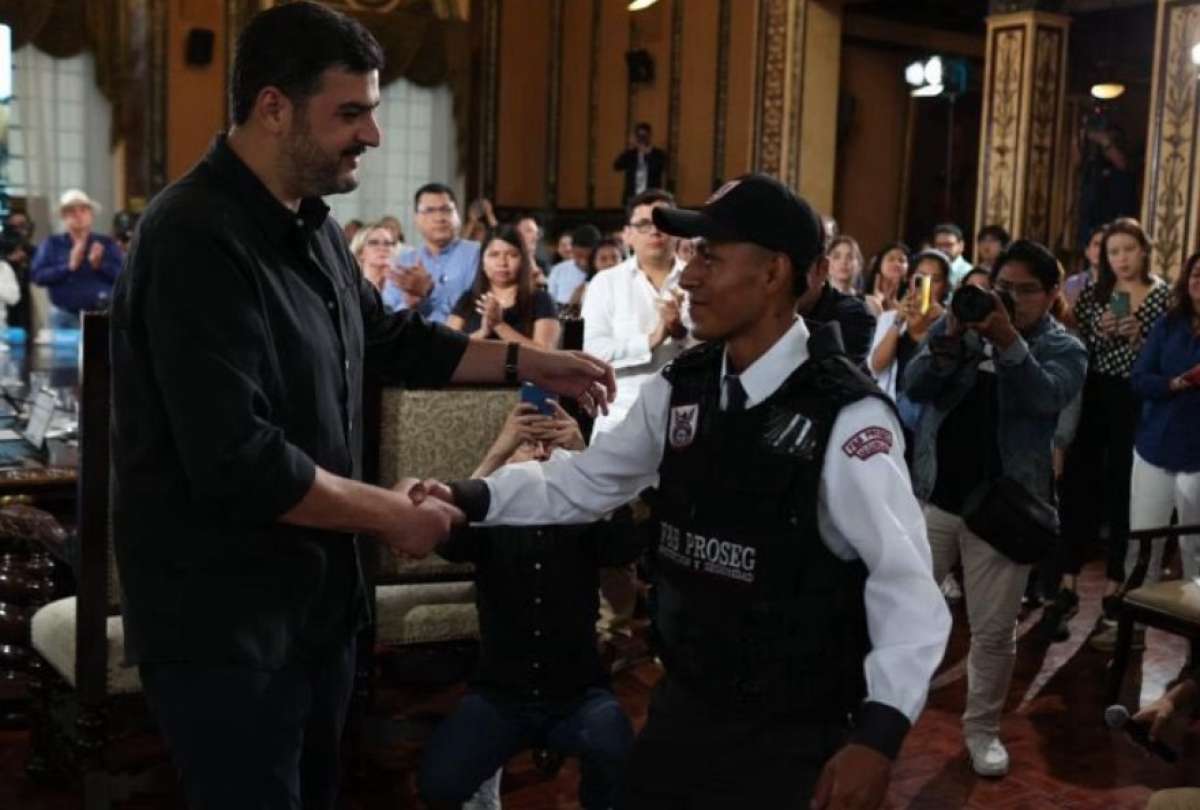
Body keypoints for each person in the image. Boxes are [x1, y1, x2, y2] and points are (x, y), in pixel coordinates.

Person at [109, 6, 615, 809]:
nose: (372, 135)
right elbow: (238, 460)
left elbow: (396, 342)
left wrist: (533, 360)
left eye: (372, 111)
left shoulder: (310, 226)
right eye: (351, 113)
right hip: (227, 621)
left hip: (315, 606)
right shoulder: (192, 237)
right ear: (274, 107)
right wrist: (391, 515)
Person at [433, 174, 951, 808]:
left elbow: (907, 589)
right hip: (686, 704)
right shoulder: (683, 386)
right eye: (690, 255)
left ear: (774, 273)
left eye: (711, 255)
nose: (688, 278)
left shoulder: (845, 418)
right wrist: (467, 498)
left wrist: (879, 736)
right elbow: (586, 482)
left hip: (793, 729)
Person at [902, 239, 1087, 777]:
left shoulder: (1064, 348)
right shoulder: (961, 322)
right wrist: (950, 337)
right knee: (903, 609)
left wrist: (1007, 341)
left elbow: (1046, 399)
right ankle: (880, 711)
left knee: (991, 631)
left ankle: (981, 731)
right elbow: (916, 387)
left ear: (1053, 294)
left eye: (1024, 291)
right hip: (937, 493)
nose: (1008, 300)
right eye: (1002, 288)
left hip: (1003, 510)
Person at [418, 402, 638, 810]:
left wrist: (585, 456)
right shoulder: (491, 514)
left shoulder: (583, 512)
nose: (539, 455)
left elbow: (622, 545)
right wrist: (498, 452)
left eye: (549, 447)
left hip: (578, 694)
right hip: (500, 696)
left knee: (618, 757)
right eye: (528, 446)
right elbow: (446, 532)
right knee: (439, 784)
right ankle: (489, 774)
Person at [1055, 218, 1171, 651]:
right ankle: (1066, 582)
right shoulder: (1095, 292)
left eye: (1128, 249)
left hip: (1137, 400)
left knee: (1126, 490)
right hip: (1095, 393)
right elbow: (1074, 346)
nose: (1121, 259)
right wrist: (1095, 333)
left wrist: (1140, 339)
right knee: (1080, 485)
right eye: (1113, 252)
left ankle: (1116, 589)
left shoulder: (1163, 296)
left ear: (1144, 250)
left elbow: (1166, 359)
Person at [1122, 252, 1200, 591]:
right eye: (1196, 274)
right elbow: (1139, 379)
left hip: (1197, 456)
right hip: (1155, 445)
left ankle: (1192, 640)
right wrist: (1172, 384)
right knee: (1142, 545)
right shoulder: (1169, 324)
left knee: (1194, 551)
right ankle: (1130, 628)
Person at [582, 190, 686, 436]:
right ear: (627, 235)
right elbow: (591, 351)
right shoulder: (606, 283)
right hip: (622, 412)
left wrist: (682, 333)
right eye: (644, 225)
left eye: (663, 223)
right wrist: (650, 341)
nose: (655, 231)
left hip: (686, 412)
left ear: (678, 230)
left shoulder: (700, 280)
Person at [446, 224, 559, 350]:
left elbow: (546, 354)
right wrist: (482, 333)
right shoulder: (468, 299)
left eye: (512, 255)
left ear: (523, 260)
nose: (502, 263)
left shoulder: (541, 300)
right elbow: (447, 349)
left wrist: (499, 325)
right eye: (494, 255)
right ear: (482, 261)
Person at [382, 183, 480, 323]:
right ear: (416, 219)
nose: (439, 218)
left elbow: (478, 306)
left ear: (458, 215)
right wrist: (410, 304)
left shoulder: (477, 254)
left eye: (446, 210)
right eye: (429, 211)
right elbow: (388, 317)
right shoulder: (403, 263)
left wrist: (431, 292)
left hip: (464, 340)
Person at [869, 249, 951, 408]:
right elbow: (876, 366)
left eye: (935, 280)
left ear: (945, 285)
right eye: (921, 278)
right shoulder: (891, 318)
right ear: (910, 279)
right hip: (890, 408)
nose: (927, 285)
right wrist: (898, 320)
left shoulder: (949, 323)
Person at [31, 189, 124, 327]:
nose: (78, 215)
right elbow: (37, 276)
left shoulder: (106, 243)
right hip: (63, 315)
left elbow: (124, 277)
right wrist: (69, 266)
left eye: (83, 210)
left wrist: (100, 265)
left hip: (102, 315)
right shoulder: (52, 244)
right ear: (63, 216)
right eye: (71, 211)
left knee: (101, 349)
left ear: (91, 214)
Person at [796, 241, 877, 369]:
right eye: (837, 256)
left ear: (822, 268)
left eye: (850, 257)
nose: (844, 262)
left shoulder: (857, 313)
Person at [561, 235, 624, 320]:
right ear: (594, 263)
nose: (610, 263)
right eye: (603, 259)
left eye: (615, 257)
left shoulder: (634, 286)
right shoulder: (582, 290)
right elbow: (570, 319)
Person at [613, 122, 666, 204]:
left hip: (651, 197)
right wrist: (629, 148)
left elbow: (660, 168)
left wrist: (647, 154)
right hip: (632, 197)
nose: (642, 139)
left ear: (650, 136)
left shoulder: (658, 154)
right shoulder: (631, 154)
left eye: (644, 136)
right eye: (639, 136)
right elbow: (617, 166)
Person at [548, 224, 600, 308]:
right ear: (572, 249)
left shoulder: (604, 272)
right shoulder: (558, 271)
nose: (584, 262)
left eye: (589, 257)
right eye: (579, 256)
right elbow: (550, 306)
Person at [1, 210, 35, 333]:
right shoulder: (3, 243)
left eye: (23, 225)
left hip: (24, 291)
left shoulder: (29, 248)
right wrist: (9, 260)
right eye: (14, 226)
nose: (20, 229)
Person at [863, 241, 911, 318]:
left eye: (902, 260)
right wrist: (877, 303)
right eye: (891, 259)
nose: (897, 264)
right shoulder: (865, 300)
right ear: (879, 265)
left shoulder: (910, 302)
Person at [348, 220, 397, 293]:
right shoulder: (351, 289)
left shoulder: (403, 288)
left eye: (387, 243)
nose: (382, 248)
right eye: (374, 243)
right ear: (360, 252)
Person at [932, 223, 973, 289]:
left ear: (961, 245)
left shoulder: (968, 273)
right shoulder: (929, 270)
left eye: (948, 245)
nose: (943, 249)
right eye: (939, 245)